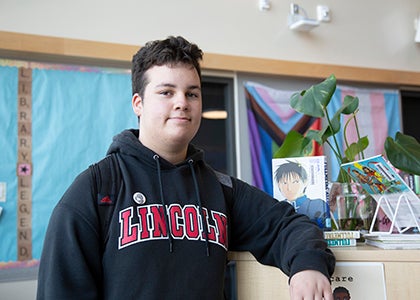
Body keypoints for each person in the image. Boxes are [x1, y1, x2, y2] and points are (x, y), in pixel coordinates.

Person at [37, 36, 335, 299]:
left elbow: (287, 224)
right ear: (138, 104)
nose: (182, 102)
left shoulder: (221, 189)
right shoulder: (97, 188)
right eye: (167, 92)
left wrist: (307, 264)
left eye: (192, 93)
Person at [275, 160, 329, 228]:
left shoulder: (317, 204)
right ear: (278, 185)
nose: (289, 188)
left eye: (295, 182)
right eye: (284, 183)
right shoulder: (278, 208)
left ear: (305, 182)